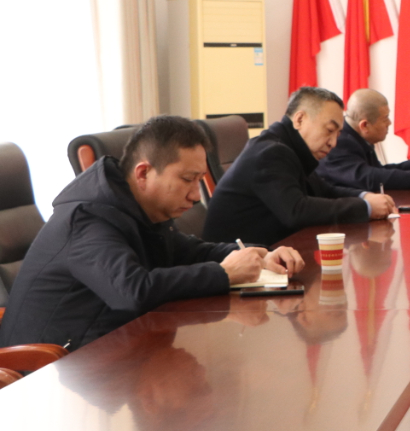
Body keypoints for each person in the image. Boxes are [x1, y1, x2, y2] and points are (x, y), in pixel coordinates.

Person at [0, 116, 302, 351]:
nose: (195, 195)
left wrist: (257, 255)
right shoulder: (89, 220)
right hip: (44, 371)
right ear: (143, 173)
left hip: (103, 352)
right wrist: (223, 274)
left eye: (198, 180)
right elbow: (132, 291)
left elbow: (189, 252)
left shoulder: (136, 208)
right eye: (187, 179)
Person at [204, 87, 397, 246]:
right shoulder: (270, 153)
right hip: (234, 263)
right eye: (329, 130)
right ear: (299, 119)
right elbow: (297, 211)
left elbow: (324, 190)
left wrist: (364, 196)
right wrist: (365, 208)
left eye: (338, 134)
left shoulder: (291, 148)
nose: (333, 143)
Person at [315, 88, 410, 192]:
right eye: (385, 118)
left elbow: (377, 171)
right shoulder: (340, 141)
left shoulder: (356, 136)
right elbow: (368, 178)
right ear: (364, 125)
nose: (390, 123)